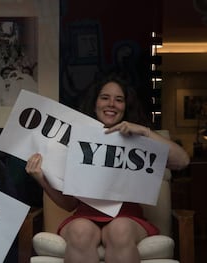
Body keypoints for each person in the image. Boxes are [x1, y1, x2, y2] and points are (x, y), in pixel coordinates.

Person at [25, 72, 190, 263]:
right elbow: (69, 204)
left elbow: (183, 160)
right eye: (105, 98)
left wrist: (144, 132)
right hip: (84, 216)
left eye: (119, 100)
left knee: (119, 230)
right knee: (80, 232)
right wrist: (41, 179)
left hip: (128, 218)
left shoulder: (138, 139)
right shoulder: (76, 141)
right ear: (95, 104)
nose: (111, 104)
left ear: (125, 107)